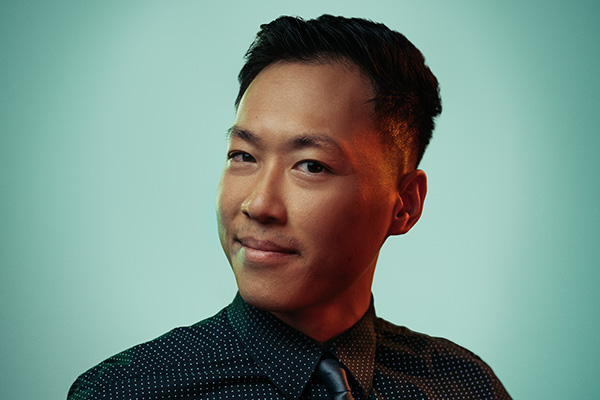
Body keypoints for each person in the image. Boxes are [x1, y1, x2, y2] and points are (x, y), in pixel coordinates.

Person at [68, 15, 511, 400]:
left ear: (404, 206)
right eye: (243, 156)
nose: (258, 204)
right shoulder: (127, 389)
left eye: (311, 166)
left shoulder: (464, 385)